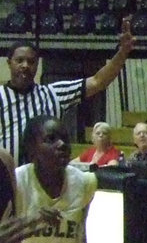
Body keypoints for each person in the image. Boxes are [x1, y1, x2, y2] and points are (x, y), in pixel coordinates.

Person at [2, 19, 135, 164]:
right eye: (19, 60)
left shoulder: (53, 94)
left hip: (45, 180)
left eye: (31, 61)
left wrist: (122, 53)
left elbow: (98, 82)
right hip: (5, 179)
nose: (25, 66)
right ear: (9, 63)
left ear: (37, 64)